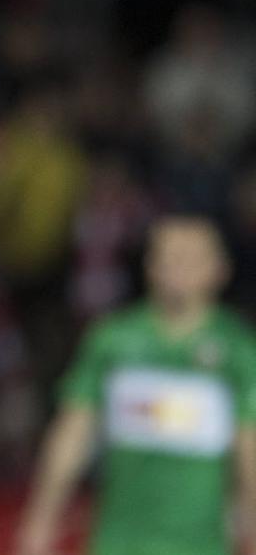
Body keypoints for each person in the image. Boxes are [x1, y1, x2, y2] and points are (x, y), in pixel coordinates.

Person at [16, 215, 256, 555]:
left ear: (219, 269)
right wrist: (42, 516)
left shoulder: (239, 349)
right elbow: (74, 430)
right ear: (150, 267)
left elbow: (250, 447)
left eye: (190, 258)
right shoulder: (113, 340)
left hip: (204, 544)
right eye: (168, 257)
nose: (178, 268)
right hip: (118, 542)